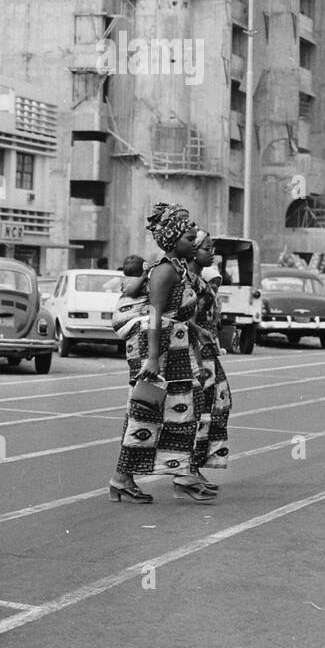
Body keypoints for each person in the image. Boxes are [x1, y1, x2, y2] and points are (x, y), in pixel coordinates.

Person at [109, 203, 215, 504]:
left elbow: (175, 313)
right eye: (188, 238)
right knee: (146, 413)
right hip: (158, 349)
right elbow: (156, 314)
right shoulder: (164, 270)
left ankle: (182, 475)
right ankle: (123, 480)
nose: (193, 243)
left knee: (184, 410)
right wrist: (153, 358)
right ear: (172, 239)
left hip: (177, 347)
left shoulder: (179, 269)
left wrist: (197, 331)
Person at [188, 230, 233, 490]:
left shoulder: (199, 280)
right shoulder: (188, 281)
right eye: (207, 248)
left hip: (207, 352)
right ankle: (188, 469)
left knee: (218, 405)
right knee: (199, 410)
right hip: (193, 354)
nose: (212, 253)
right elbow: (181, 315)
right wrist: (199, 331)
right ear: (194, 250)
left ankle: (193, 466)